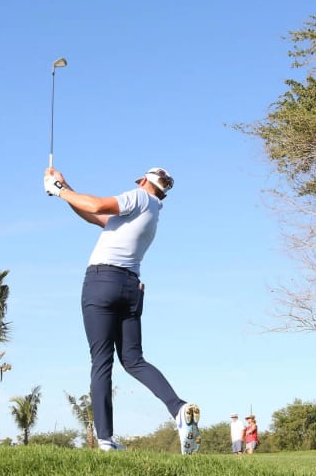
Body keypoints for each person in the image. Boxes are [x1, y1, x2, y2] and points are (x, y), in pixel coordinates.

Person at [43, 166, 201, 455]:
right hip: (130, 288)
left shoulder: (139, 197)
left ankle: (104, 440)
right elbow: (96, 216)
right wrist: (64, 189)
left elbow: (98, 204)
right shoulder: (152, 212)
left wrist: (60, 190)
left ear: (144, 181)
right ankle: (178, 408)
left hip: (102, 282)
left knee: (101, 361)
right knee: (133, 359)